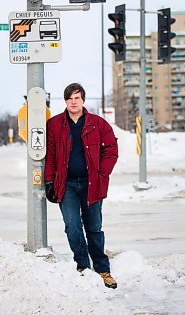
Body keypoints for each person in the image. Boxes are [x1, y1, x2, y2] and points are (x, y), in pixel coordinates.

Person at [44, 83, 119, 289]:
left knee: (94, 228)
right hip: (66, 185)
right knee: (73, 226)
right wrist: (49, 181)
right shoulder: (55, 124)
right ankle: (83, 267)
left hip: (92, 183)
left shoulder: (98, 124)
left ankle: (103, 269)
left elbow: (111, 150)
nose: (73, 102)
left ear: (83, 100)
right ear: (65, 101)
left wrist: (102, 173)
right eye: (69, 98)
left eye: (77, 98)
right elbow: (50, 156)